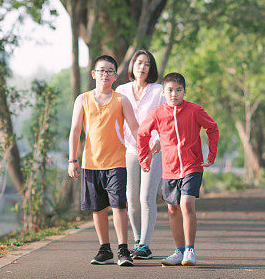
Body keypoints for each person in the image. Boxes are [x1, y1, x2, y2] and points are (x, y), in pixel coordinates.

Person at [137, 72, 219, 266]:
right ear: (163, 93)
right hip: (170, 169)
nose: (174, 94)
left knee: (186, 204)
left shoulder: (194, 110)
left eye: (178, 90)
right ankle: (179, 251)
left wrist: (211, 156)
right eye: (170, 90)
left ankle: (190, 250)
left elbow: (212, 128)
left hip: (192, 166)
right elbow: (142, 133)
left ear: (185, 91)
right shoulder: (157, 113)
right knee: (172, 209)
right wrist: (143, 159)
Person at [68, 55, 139, 266]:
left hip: (117, 162)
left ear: (115, 76)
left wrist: (144, 152)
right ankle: (104, 249)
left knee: (119, 206)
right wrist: (72, 160)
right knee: (97, 208)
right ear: (93, 74)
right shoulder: (82, 99)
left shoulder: (121, 100)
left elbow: (135, 129)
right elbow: (74, 130)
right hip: (91, 163)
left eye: (109, 71)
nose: (105, 74)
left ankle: (123, 250)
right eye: (101, 70)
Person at [116, 50, 165, 260]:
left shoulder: (159, 91)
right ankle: (138, 241)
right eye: (139, 63)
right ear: (132, 65)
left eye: (147, 64)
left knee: (146, 197)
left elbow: (168, 117)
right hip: (129, 149)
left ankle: (145, 244)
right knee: (131, 197)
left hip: (153, 149)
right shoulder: (121, 90)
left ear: (151, 68)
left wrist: (160, 139)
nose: (142, 67)